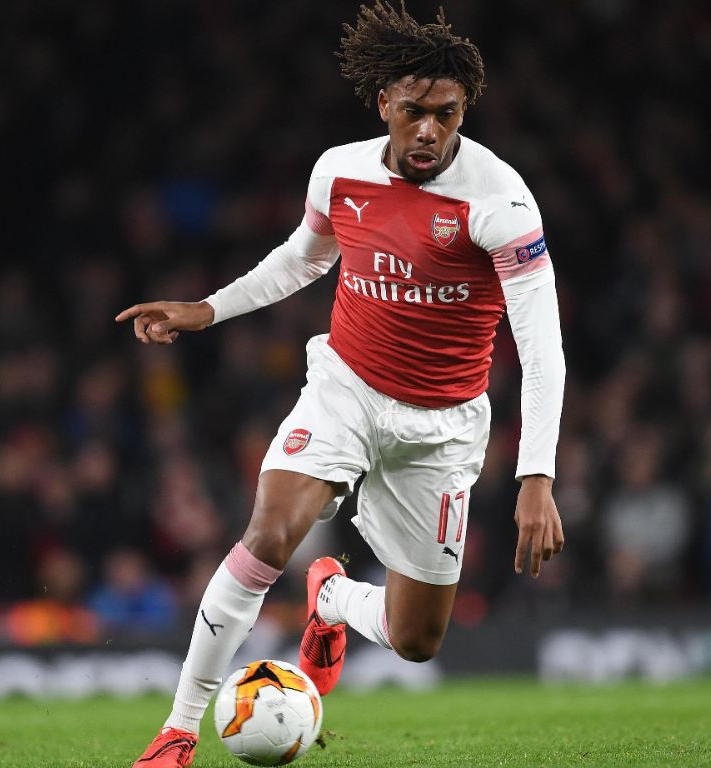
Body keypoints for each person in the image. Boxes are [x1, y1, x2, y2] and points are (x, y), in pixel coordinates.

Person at [117, 3, 566, 766]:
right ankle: (178, 731)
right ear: (383, 103)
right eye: (414, 111)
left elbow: (541, 346)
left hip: (442, 424)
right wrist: (207, 309)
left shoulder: (500, 201)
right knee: (268, 535)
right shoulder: (339, 171)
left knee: (416, 639)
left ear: (464, 111)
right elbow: (305, 257)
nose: (428, 130)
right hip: (347, 387)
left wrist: (536, 476)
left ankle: (329, 598)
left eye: (447, 114)